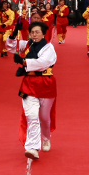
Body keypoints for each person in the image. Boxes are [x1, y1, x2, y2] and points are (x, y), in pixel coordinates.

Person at [7, 21, 57, 160]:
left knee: (44, 118)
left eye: (37, 32)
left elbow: (43, 63)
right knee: (32, 116)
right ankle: (32, 147)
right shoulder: (27, 44)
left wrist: (23, 62)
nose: (34, 35)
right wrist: (13, 33)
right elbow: (11, 47)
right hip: (29, 84)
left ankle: (46, 137)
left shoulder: (48, 48)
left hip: (46, 84)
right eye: (32, 32)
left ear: (43, 33)